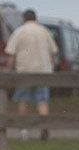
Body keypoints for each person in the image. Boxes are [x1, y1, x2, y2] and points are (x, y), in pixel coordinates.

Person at [5, 9, 58, 141]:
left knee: (23, 100)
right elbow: (53, 52)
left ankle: (24, 131)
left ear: (24, 19)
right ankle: (44, 125)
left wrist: (8, 69)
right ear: (35, 18)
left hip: (24, 71)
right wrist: (51, 67)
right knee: (42, 101)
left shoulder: (19, 31)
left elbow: (11, 53)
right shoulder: (44, 31)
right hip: (43, 71)